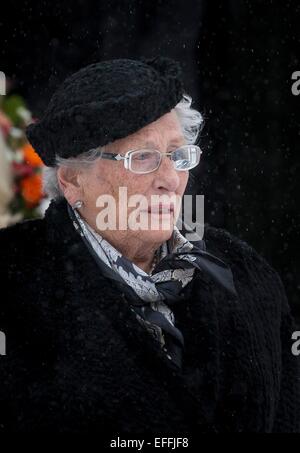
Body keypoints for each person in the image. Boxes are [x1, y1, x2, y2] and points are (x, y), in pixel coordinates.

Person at [0, 57, 299, 433]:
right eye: (141, 158)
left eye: (177, 156)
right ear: (72, 179)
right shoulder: (13, 284)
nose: (170, 179)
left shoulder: (247, 275)